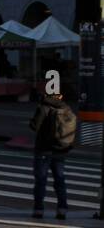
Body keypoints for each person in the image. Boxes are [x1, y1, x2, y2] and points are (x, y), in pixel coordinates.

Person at [29, 82, 76, 220]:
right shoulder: (66, 108)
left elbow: (34, 126)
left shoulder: (43, 107)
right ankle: (62, 209)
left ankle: (38, 210)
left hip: (44, 150)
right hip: (60, 149)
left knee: (41, 181)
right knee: (60, 180)